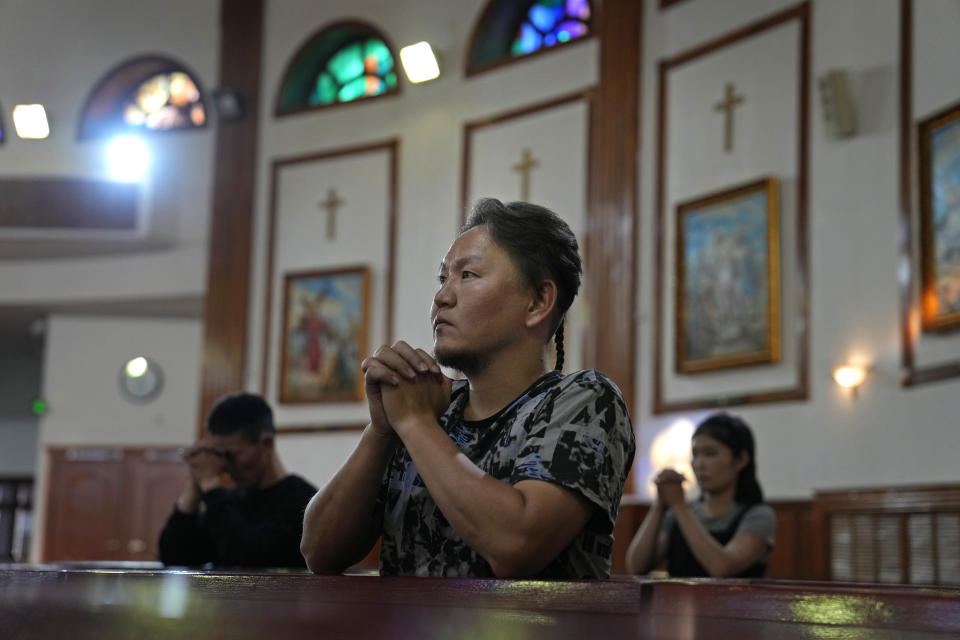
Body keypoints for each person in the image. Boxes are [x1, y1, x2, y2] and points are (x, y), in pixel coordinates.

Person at [300, 198, 636, 578]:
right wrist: (381, 432)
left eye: (468, 275)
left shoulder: (586, 400)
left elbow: (516, 545)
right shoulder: (430, 407)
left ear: (538, 301)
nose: (441, 297)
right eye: (443, 278)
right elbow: (319, 552)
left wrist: (415, 425)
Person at [158, 391, 317, 568]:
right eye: (219, 455)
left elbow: (247, 556)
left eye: (230, 455)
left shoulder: (304, 502)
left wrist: (210, 485)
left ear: (266, 444)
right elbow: (173, 556)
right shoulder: (230, 502)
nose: (223, 465)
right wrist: (195, 487)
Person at [625, 412, 775, 577]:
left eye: (710, 453)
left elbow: (722, 568)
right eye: (695, 455)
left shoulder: (758, 515)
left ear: (741, 460)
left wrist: (679, 506)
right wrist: (659, 505)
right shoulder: (677, 515)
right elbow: (636, 567)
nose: (699, 464)